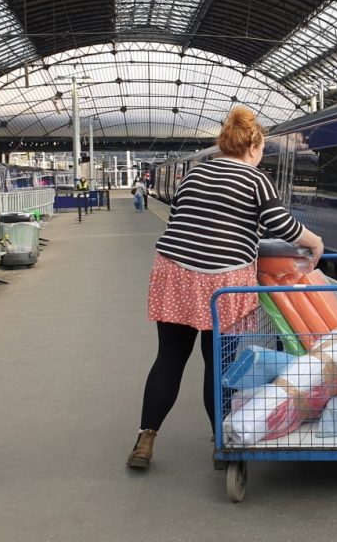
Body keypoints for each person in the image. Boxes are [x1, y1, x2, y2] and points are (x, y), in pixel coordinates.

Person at [127, 107, 324, 470]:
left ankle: (145, 440)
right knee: (217, 364)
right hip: (222, 283)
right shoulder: (255, 179)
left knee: (168, 360)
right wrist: (315, 242)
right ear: (252, 147)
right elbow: (280, 224)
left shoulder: (195, 174)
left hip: (175, 272)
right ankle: (222, 443)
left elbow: (179, 221)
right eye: (261, 149)